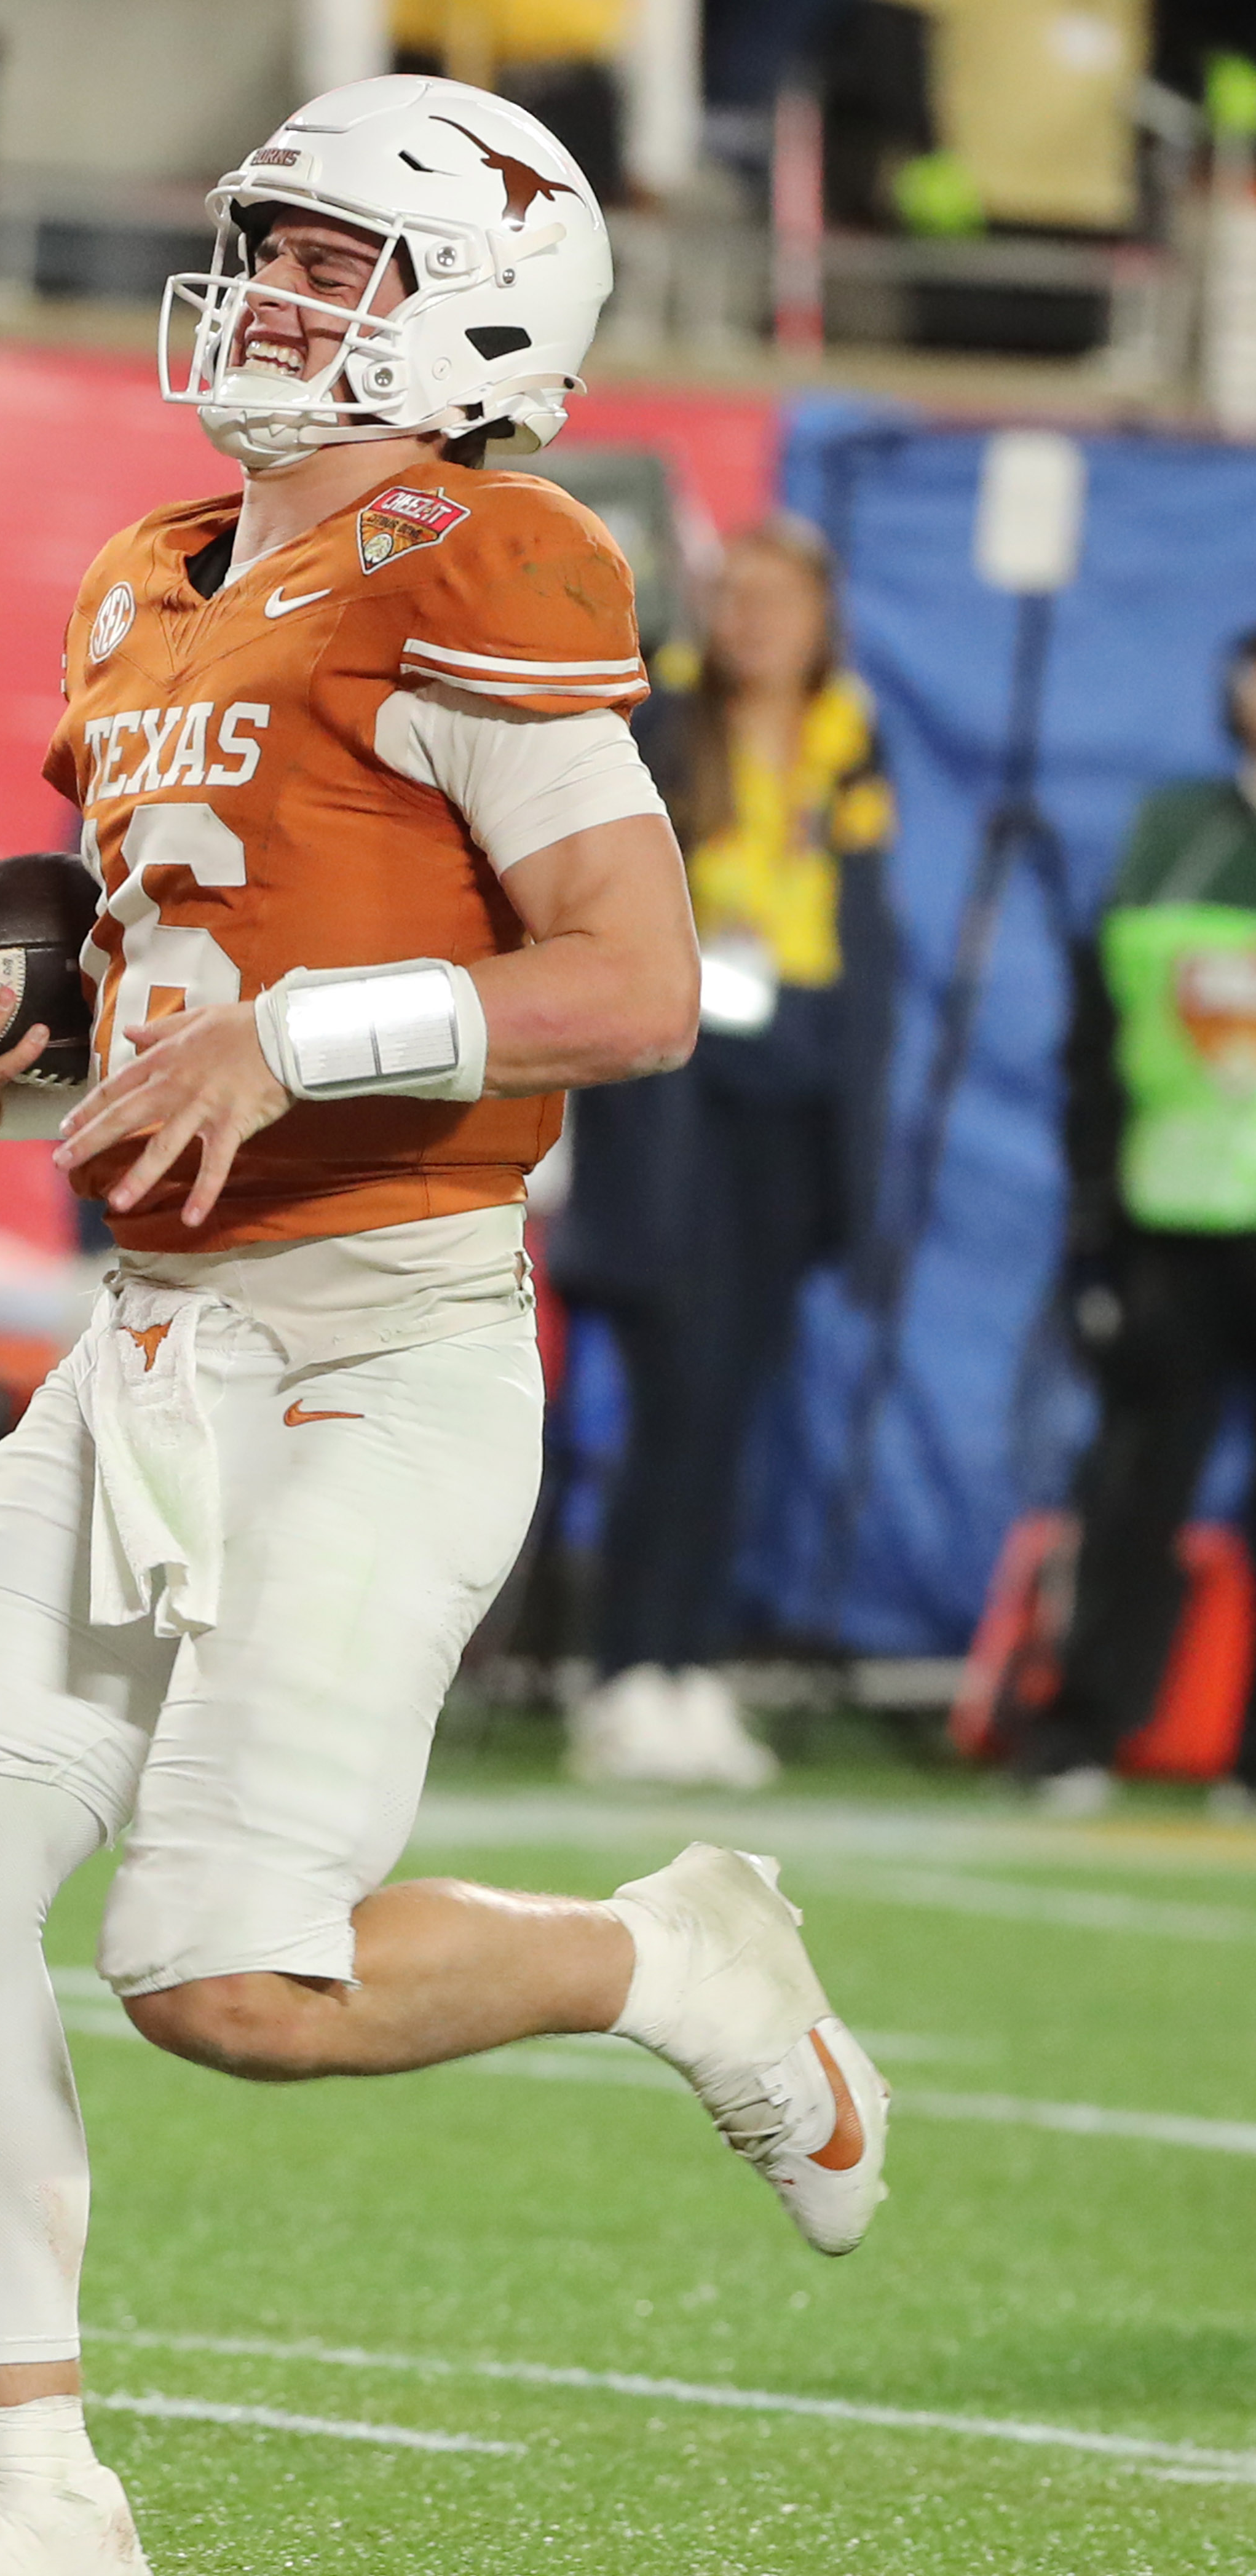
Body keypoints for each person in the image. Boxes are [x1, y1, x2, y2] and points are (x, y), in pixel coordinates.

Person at [0, 74, 892, 2576]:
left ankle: (671, 1962)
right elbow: (165, 996)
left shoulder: (486, 544)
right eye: (264, 249)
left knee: (220, 1981)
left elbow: (626, 985)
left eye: (341, 266)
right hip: (159, 1347)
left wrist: (308, 1041)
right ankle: (40, 2511)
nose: (276, 298)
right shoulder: (152, 572)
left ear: (491, 311)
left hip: (383, 1343)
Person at [550, 517, 898, 1789]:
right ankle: (626, 1669)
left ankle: (693, 1666)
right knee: (674, 1400)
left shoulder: (851, 752)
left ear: (821, 622)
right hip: (679, 1108)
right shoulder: (662, 732)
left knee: (740, 1408)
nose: (757, 624)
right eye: (738, 599)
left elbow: (870, 950)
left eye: (783, 603)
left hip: (794, 1114)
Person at [1018, 627, 1256, 1811]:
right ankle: (1083, 1730)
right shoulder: (1180, 838)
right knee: (1135, 1488)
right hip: (1179, 1220)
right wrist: (1098, 1227)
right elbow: (1103, 1047)